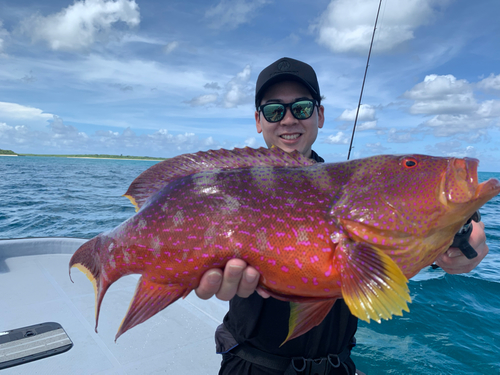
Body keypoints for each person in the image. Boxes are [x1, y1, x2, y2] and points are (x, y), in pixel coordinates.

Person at [194, 57, 490, 374]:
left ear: (319, 115)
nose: (289, 120)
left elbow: (407, 232)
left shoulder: (359, 186)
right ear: (259, 120)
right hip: (249, 366)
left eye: (302, 108)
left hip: (337, 367)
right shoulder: (235, 188)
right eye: (274, 111)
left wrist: (457, 236)